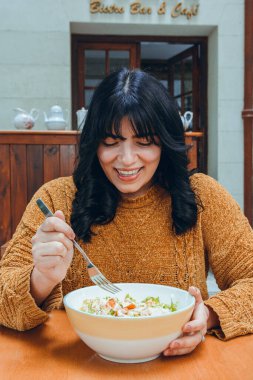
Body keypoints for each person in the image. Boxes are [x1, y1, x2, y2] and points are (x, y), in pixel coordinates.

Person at [0, 68, 252, 357]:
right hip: (75, 365)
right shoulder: (56, 198)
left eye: (144, 142)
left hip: (178, 366)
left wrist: (207, 315)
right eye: (110, 142)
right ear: (94, 142)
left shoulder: (203, 195)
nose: (127, 160)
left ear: (165, 141)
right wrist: (40, 279)